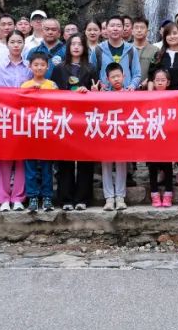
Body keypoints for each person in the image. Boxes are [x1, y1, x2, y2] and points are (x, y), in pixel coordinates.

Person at [51, 34, 99, 210]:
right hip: (65, 118)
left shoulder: (91, 68)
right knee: (65, 160)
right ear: (68, 47)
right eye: (73, 44)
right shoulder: (59, 68)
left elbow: (97, 92)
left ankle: (82, 199)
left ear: (85, 47)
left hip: (85, 118)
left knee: (86, 159)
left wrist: (90, 92)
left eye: (80, 44)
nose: (76, 47)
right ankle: (65, 199)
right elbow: (53, 93)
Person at [0, 31, 30, 211]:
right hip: (5, 116)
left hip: (24, 117)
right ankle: (3, 198)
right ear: (7, 44)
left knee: (22, 158)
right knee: (4, 157)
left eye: (19, 42)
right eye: (12, 42)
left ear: (24, 44)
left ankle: (18, 198)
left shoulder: (29, 66)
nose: (16, 45)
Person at [21, 51, 57, 212]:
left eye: (42, 65)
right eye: (36, 65)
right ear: (30, 66)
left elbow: (58, 106)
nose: (39, 67)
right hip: (29, 131)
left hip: (47, 131)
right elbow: (19, 105)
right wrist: (29, 92)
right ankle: (32, 197)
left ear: (47, 67)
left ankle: (47, 196)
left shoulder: (52, 85)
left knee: (47, 166)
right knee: (30, 166)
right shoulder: (25, 86)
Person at [99, 63, 130, 210]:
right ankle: (109, 198)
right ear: (107, 79)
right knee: (106, 164)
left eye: (118, 76)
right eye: (113, 77)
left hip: (122, 134)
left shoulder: (130, 94)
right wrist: (95, 94)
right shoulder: (102, 94)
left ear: (124, 76)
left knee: (121, 164)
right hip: (106, 134)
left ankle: (120, 197)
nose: (116, 79)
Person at [147, 68, 176, 207]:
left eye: (163, 80)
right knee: (152, 166)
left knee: (167, 166)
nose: (160, 82)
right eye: (157, 80)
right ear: (153, 82)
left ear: (168, 82)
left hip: (167, 137)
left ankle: (168, 193)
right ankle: (154, 193)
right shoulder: (148, 97)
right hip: (152, 136)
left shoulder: (173, 97)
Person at [91, 15, 141, 90]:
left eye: (118, 26)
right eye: (112, 26)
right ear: (106, 29)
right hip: (105, 93)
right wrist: (99, 84)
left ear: (123, 29)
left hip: (126, 92)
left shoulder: (131, 50)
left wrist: (132, 86)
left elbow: (137, 74)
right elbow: (92, 72)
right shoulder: (98, 50)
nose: (115, 29)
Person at [149, 22, 178, 90]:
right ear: (165, 37)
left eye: (175, 33)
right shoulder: (158, 55)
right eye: (168, 34)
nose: (172, 36)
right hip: (161, 95)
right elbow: (150, 78)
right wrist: (150, 94)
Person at [130, 17, 159, 87]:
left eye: (142, 28)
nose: (139, 30)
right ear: (132, 31)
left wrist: (148, 80)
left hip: (148, 89)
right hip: (128, 88)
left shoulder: (155, 50)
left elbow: (157, 70)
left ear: (147, 32)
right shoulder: (126, 49)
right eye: (136, 28)